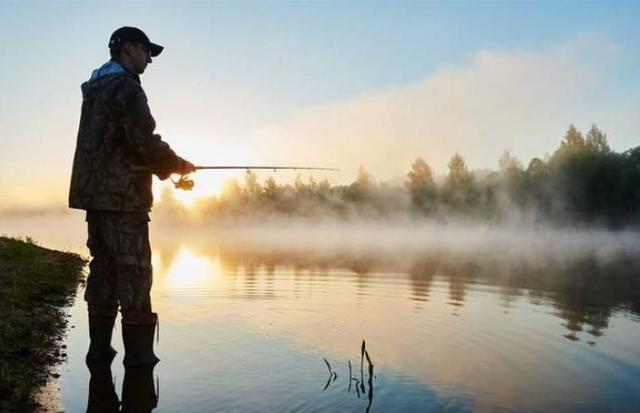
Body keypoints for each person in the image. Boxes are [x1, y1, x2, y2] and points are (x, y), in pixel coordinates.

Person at [69, 27, 195, 366]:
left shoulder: (95, 89)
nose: (150, 59)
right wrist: (178, 164)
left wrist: (164, 166)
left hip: (95, 196)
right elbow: (144, 141)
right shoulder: (126, 87)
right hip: (124, 198)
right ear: (127, 49)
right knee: (136, 272)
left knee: (104, 269)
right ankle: (140, 362)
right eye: (146, 51)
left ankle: (99, 352)